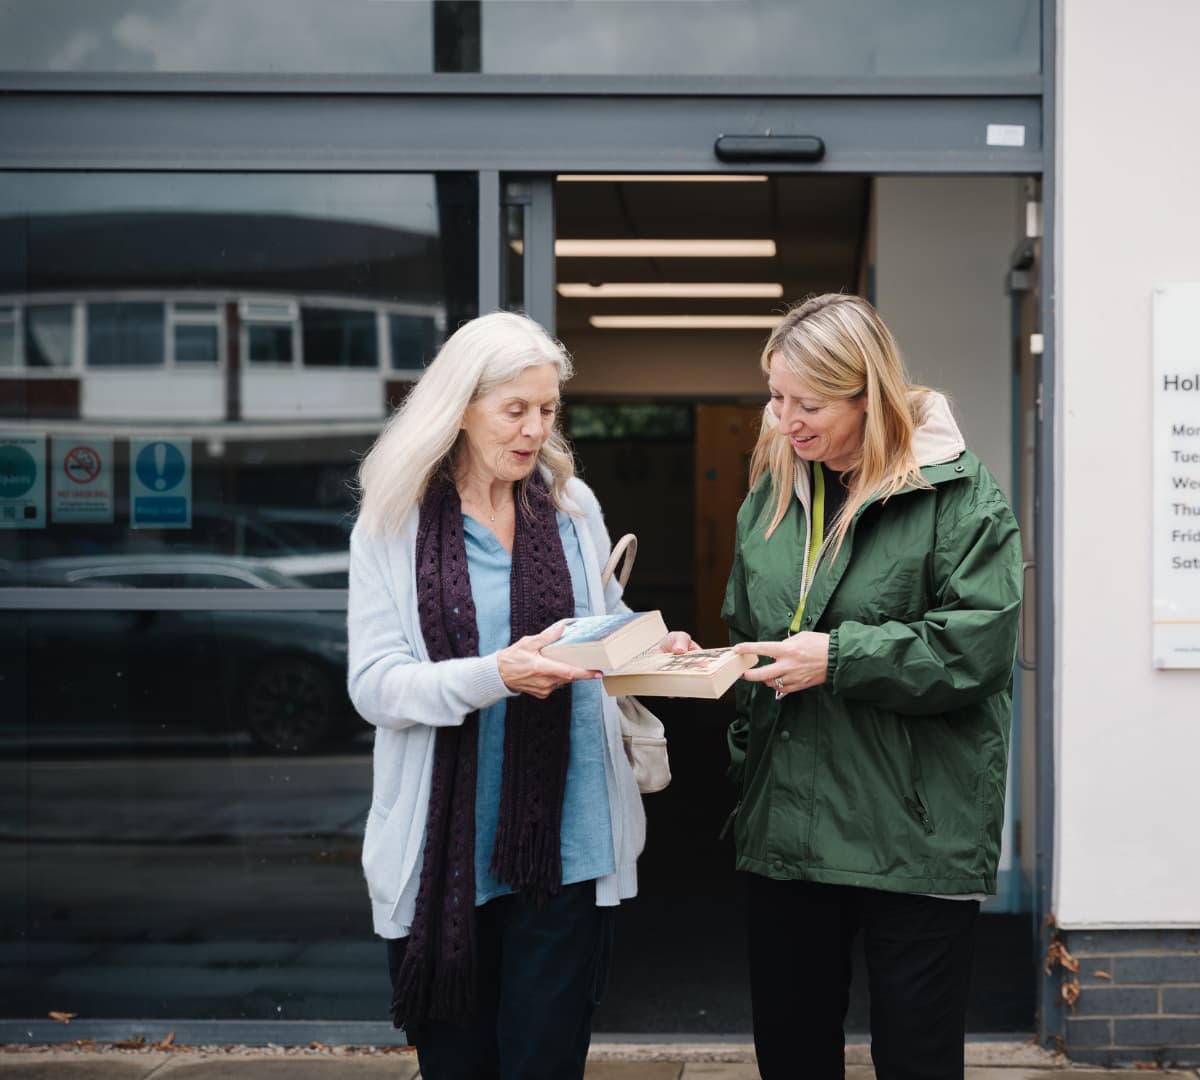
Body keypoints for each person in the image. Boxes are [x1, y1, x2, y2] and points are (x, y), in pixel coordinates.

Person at [347, 310, 693, 1080]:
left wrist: (647, 642)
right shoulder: (392, 524)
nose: (536, 430)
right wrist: (495, 675)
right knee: (459, 1063)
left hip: (568, 837)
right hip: (445, 852)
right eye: (515, 410)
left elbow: (594, 629)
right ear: (460, 410)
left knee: (546, 1060)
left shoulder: (573, 509)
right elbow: (375, 686)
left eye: (547, 410)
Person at [722, 293, 1022, 1080]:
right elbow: (744, 624)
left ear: (871, 394)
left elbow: (976, 648)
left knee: (917, 1057)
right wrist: (729, 707)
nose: (786, 420)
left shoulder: (960, 495)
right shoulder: (774, 493)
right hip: (788, 825)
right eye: (777, 397)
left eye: (809, 403)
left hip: (916, 828)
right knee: (791, 1054)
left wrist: (839, 658)